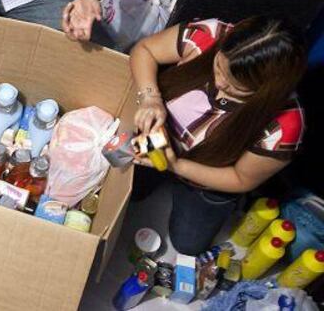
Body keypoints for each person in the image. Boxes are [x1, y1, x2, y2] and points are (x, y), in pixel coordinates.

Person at [129, 17, 307, 255]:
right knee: (129, 192)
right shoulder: (208, 34)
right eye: (218, 67)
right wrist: (150, 97)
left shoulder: (285, 125)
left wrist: (176, 166)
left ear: (267, 90)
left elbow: (241, 179)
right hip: (160, 138)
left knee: (188, 245)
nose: (219, 82)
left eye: (236, 87)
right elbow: (145, 50)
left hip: (208, 177)